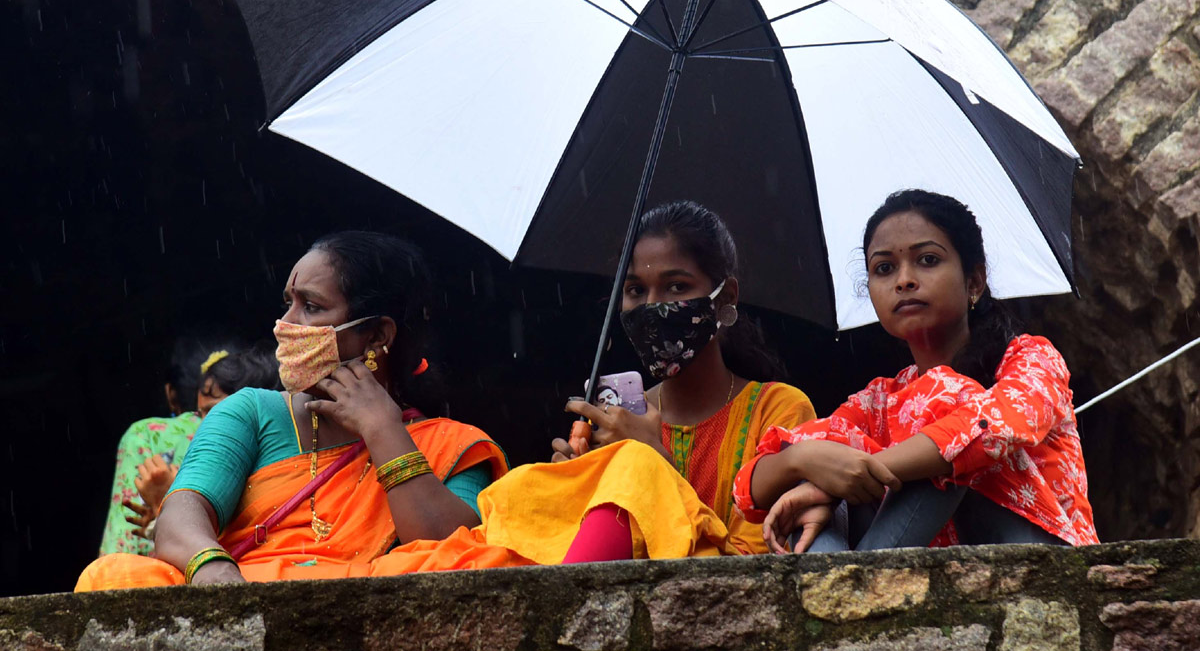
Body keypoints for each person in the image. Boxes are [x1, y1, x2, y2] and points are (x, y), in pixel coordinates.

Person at [359, 200, 816, 573]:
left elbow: (758, 563)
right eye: (636, 290)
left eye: (675, 287)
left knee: (634, 466)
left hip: (705, 596)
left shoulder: (776, 409)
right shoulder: (615, 413)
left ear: (726, 298)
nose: (651, 307)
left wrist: (653, 465)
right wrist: (578, 484)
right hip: (609, 590)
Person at [77, 231, 507, 589]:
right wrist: (217, 572)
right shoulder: (251, 412)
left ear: (377, 335)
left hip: (370, 601)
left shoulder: (452, 443)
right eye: (289, 302)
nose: (286, 324)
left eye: (312, 307)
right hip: (238, 593)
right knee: (115, 576)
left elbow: (453, 557)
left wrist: (383, 432)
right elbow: (179, 520)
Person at [735, 189, 1097, 553]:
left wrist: (845, 477)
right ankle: (833, 589)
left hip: (1034, 558)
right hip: (919, 573)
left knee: (940, 434)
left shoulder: (1031, 357)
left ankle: (852, 588)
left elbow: (989, 428)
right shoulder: (879, 400)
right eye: (884, 268)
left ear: (974, 282)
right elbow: (748, 488)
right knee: (815, 485)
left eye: (927, 259)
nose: (904, 280)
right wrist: (803, 462)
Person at [120, 344, 284, 543]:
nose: (204, 426)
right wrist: (159, 521)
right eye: (202, 414)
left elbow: (226, 554)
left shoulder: (279, 469)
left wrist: (174, 502)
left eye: (216, 411)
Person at [97, 340, 206, 556]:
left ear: (170, 393)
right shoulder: (245, 432)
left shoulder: (144, 434)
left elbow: (123, 543)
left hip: (160, 573)